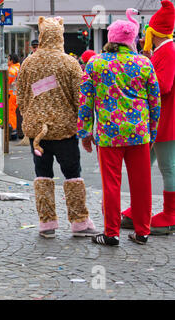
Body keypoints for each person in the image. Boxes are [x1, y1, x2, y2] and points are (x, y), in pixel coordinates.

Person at [77, 18, 161, 246]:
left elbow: (85, 100)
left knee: (111, 184)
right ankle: (143, 231)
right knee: (142, 183)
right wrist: (152, 132)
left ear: (110, 39)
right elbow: (155, 101)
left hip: (108, 133)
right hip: (138, 132)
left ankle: (111, 232)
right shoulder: (144, 64)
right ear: (131, 40)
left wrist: (84, 132)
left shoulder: (95, 64)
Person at [16, 16, 98, 239]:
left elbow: (21, 96)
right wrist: (83, 127)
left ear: (42, 36)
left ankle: (47, 222)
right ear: (59, 36)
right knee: (72, 174)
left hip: (37, 134)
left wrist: (30, 116)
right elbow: (80, 98)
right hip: (64, 130)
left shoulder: (29, 63)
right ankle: (80, 221)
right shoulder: (69, 63)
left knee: (42, 175)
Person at [121, 0, 175, 235]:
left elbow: (163, 85)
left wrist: (139, 80)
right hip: (157, 119)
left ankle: (171, 214)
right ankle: (140, 209)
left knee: (167, 166)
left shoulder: (168, 51)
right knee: (144, 165)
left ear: (153, 31)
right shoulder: (164, 51)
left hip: (166, 119)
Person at [7, 53, 21, 141]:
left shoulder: (11, 70)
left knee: (11, 112)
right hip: (18, 94)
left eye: (8, 59)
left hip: (12, 94)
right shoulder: (19, 67)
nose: (7, 61)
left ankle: (13, 131)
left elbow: (7, 81)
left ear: (11, 60)